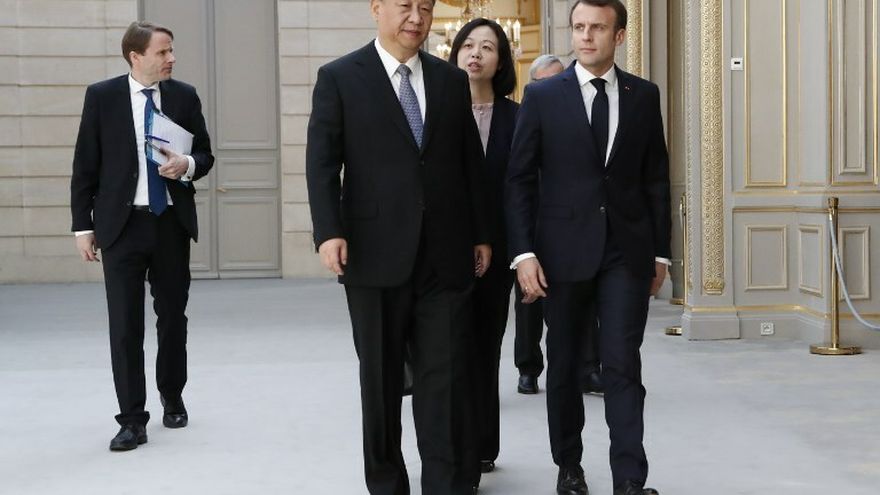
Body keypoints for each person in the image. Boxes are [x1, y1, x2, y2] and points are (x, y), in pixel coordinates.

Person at [305, 0, 491, 493]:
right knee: (382, 381)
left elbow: (469, 162)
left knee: (444, 380)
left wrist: (481, 233)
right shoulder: (340, 77)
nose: (416, 17)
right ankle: (387, 483)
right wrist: (328, 231)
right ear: (377, 8)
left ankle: (445, 485)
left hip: (445, 255)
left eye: (425, 7)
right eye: (405, 5)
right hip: (373, 253)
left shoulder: (450, 80)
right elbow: (321, 163)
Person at [505, 1, 670, 494]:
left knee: (622, 363)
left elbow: (656, 179)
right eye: (578, 27)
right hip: (561, 253)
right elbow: (519, 180)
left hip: (626, 253)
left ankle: (630, 480)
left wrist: (660, 253)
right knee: (564, 364)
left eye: (597, 28)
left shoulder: (643, 95)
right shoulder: (542, 95)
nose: (585, 36)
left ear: (618, 36)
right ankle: (569, 468)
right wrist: (523, 253)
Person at [70, 21, 214, 451]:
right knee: (124, 325)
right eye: (162, 52)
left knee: (172, 318)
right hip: (121, 227)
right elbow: (85, 165)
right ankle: (132, 419)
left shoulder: (184, 96)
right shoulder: (102, 97)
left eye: (172, 51)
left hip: (169, 223)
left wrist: (186, 165)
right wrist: (83, 226)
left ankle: (172, 396)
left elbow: (205, 154)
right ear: (135, 56)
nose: (171, 58)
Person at [448, 17, 517, 476]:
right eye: (468, 45)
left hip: (500, 252)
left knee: (485, 349)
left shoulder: (519, 117)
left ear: (501, 60)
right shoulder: (438, 111)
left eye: (488, 47)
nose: (476, 53)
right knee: (451, 350)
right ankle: (456, 449)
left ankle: (483, 446)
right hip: (446, 250)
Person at [514, 54, 604, 398]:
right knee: (529, 300)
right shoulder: (528, 112)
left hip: (571, 225)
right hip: (532, 223)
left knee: (580, 300)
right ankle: (528, 368)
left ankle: (588, 368)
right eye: (544, 82)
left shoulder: (580, 112)